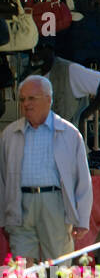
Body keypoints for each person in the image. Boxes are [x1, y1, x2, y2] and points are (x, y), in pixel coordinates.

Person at [0, 75, 93, 262]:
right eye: (23, 99)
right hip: (20, 204)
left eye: (32, 98)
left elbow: (83, 180)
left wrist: (82, 219)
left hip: (55, 204)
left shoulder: (69, 133)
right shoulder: (9, 134)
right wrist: (3, 217)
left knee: (59, 266)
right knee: (21, 268)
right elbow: (2, 180)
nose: (26, 104)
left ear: (48, 99)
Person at [32, 40, 100, 135]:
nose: (34, 54)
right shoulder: (33, 76)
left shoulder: (69, 70)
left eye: (38, 49)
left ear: (48, 48)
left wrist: (85, 114)